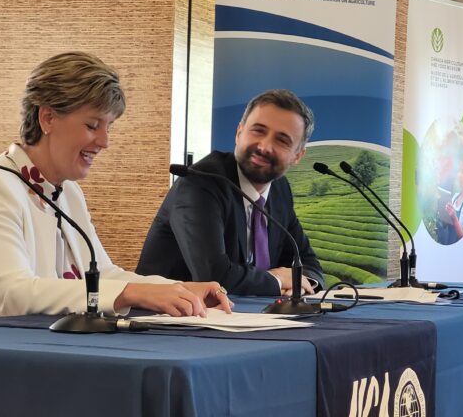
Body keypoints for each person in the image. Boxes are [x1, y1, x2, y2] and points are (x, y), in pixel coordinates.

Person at [0, 52, 231, 325]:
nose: (104, 142)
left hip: (18, 347)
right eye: (92, 125)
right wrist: (132, 293)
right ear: (47, 118)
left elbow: (102, 274)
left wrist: (179, 289)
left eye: (109, 127)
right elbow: (10, 294)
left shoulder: (67, 191)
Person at [136, 89, 324, 296]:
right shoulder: (200, 183)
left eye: (282, 140)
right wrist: (278, 280)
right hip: (169, 320)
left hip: (244, 317)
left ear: (297, 156)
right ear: (239, 133)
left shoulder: (279, 189)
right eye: (258, 131)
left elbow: (307, 263)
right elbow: (214, 276)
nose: (264, 146)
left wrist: (301, 283)